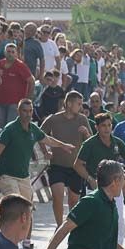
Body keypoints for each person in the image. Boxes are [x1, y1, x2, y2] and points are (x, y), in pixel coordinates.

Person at [0, 98, 73, 249]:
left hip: (23, 176)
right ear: (18, 112)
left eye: (30, 111)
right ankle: (7, 244)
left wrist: (62, 145)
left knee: (27, 210)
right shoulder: (10, 130)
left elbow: (48, 140)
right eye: (24, 111)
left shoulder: (34, 129)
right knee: (15, 208)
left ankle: (26, 245)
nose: (28, 114)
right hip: (6, 175)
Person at [73, 112, 125, 249]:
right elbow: (77, 165)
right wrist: (90, 179)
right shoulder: (89, 144)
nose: (107, 129)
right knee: (96, 222)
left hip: (115, 188)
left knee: (119, 220)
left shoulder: (118, 142)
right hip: (95, 188)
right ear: (97, 127)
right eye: (103, 126)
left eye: (109, 125)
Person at [43, 90, 93, 227]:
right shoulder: (54, 119)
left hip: (75, 167)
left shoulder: (82, 119)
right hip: (57, 165)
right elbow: (39, 135)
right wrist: (45, 151)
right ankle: (59, 226)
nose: (81, 107)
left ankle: (71, 228)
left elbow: (92, 142)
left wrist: (87, 134)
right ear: (69, 104)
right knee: (57, 197)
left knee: (73, 201)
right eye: (78, 104)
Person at [0, 43, 33, 126]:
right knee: (2, 125)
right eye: (8, 51)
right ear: (5, 53)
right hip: (1, 101)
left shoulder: (21, 66)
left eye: (13, 52)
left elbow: (31, 81)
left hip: (15, 103)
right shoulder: (0, 64)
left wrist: (28, 99)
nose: (10, 54)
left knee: (10, 125)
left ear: (16, 53)